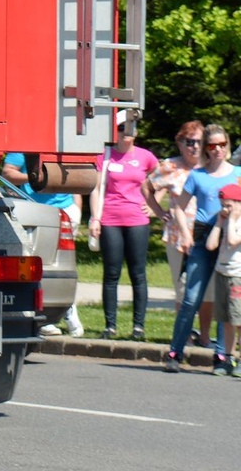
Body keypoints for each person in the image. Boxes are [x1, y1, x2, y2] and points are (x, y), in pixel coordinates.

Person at [165, 124, 237, 373]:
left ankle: (222, 357)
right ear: (206, 149)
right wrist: (185, 234)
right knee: (191, 298)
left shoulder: (237, 173)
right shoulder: (198, 175)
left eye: (222, 145)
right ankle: (175, 352)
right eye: (212, 146)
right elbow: (177, 206)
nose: (217, 150)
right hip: (203, 235)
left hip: (229, 239)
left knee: (224, 300)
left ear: (227, 145)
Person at [89, 110, 165, 341]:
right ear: (115, 131)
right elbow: (96, 188)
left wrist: (154, 206)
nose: (126, 134)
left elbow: (162, 181)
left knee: (138, 274)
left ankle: (138, 327)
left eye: (130, 129)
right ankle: (110, 326)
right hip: (110, 219)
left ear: (136, 133)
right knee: (111, 273)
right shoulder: (105, 156)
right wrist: (95, 218)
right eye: (122, 129)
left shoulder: (145, 157)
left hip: (137, 220)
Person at [1, 152, 83, 336]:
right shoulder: (23, 148)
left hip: (65, 211)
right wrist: (34, 178)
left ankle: (66, 313)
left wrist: (76, 208)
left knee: (61, 267)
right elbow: (7, 173)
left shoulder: (63, 146)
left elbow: (77, 179)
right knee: (38, 267)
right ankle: (45, 318)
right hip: (37, 213)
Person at [150, 120, 213, 345]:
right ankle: (183, 336)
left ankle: (205, 337)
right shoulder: (170, 166)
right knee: (184, 290)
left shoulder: (211, 166)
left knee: (208, 291)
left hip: (209, 235)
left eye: (199, 142)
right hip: (178, 236)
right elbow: (146, 188)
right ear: (180, 143)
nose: (194, 146)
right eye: (189, 142)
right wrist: (159, 212)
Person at [205, 181, 241, 376]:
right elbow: (211, 245)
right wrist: (219, 223)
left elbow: (233, 241)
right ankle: (227, 358)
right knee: (226, 319)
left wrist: (233, 219)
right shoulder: (225, 220)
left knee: (239, 320)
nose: (225, 209)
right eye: (223, 205)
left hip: (238, 275)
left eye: (229, 205)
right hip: (222, 273)